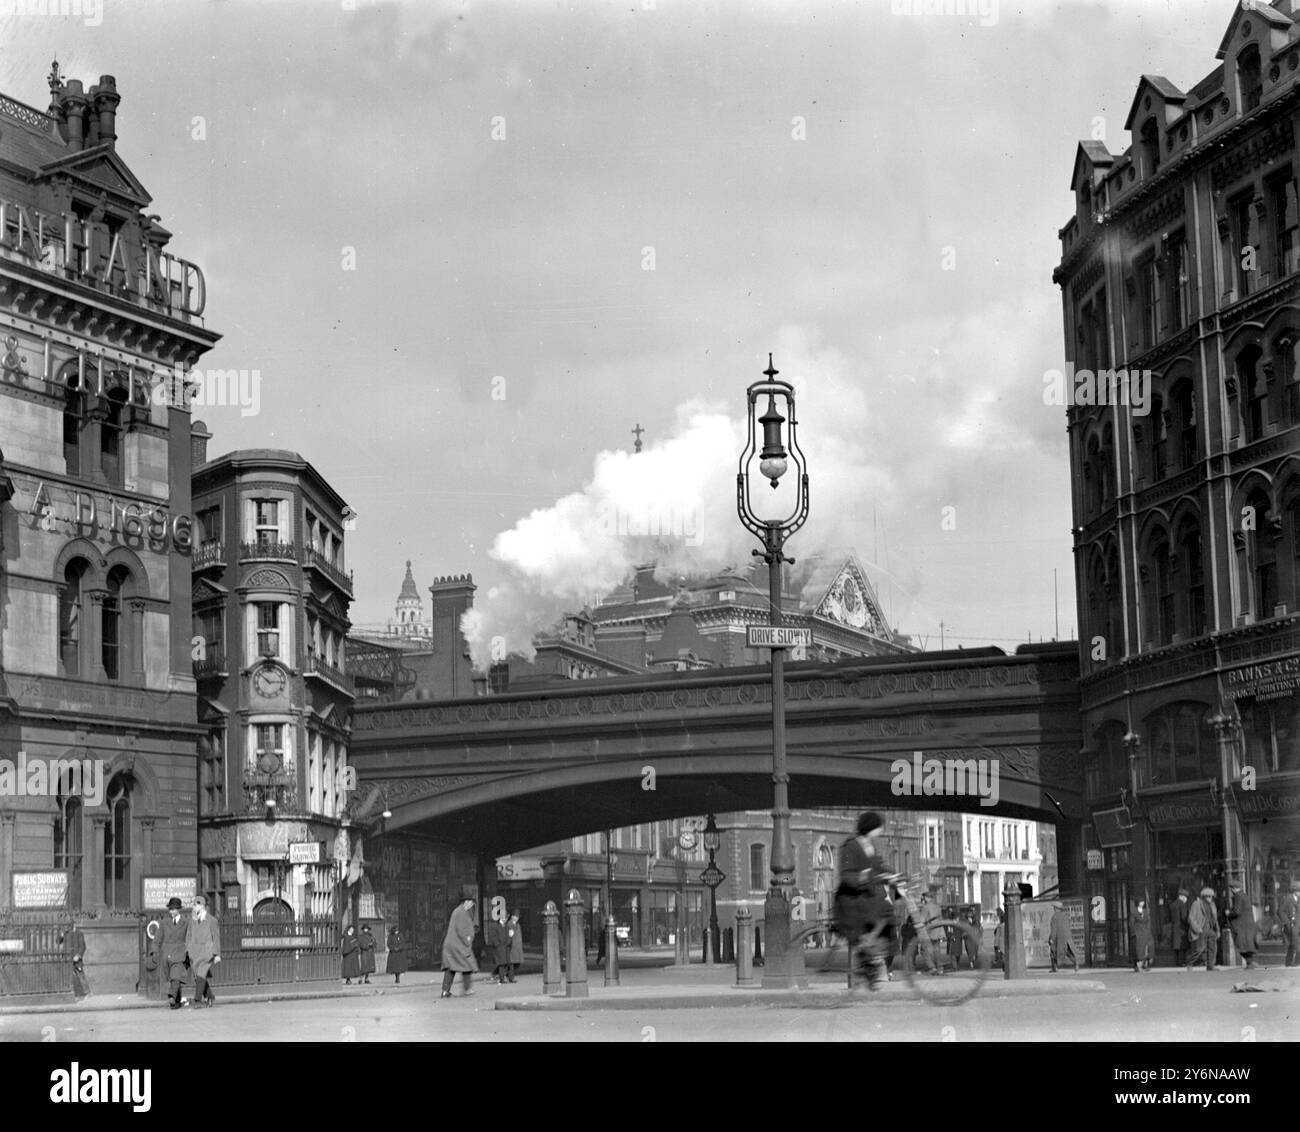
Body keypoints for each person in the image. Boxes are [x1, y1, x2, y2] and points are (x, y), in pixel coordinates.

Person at [833, 811, 894, 989]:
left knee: (887, 913)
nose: (881, 831)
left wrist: (895, 876)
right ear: (870, 827)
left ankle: (871, 957)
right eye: (879, 827)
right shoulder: (850, 846)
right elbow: (846, 875)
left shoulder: (870, 846)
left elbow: (879, 868)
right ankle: (868, 957)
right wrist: (866, 877)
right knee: (882, 911)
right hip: (850, 900)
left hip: (865, 898)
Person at [151, 898, 190, 1008]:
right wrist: (154, 951)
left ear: (179, 910)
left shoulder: (186, 922)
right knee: (173, 978)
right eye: (170, 909)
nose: (172, 912)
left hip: (180, 953)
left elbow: (190, 938)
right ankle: (176, 1003)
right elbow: (157, 938)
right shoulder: (163, 923)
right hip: (167, 955)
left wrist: (188, 952)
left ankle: (171, 996)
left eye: (174, 909)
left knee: (176, 976)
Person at [441, 892, 479, 997]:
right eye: (471, 902)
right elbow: (462, 930)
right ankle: (467, 989)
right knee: (467, 965)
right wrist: (468, 940)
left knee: (451, 968)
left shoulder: (459, 911)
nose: (472, 904)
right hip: (458, 945)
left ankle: (445, 991)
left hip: (453, 945)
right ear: (466, 902)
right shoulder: (462, 912)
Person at [185, 895, 221, 1007]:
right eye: (194, 904)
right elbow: (188, 936)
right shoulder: (192, 920)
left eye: (196, 904)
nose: (194, 907)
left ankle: (197, 1000)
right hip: (195, 953)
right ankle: (210, 996)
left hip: (207, 952)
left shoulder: (212, 920)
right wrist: (188, 949)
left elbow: (216, 937)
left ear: (202, 905)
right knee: (198, 977)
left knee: (201, 974)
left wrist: (217, 954)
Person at [1225, 880, 1259, 970]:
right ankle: (1250, 962)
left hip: (1241, 925)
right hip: (1248, 924)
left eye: (1232, 888)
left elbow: (1237, 911)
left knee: (1241, 945)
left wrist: (1228, 913)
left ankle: (1249, 963)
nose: (1231, 891)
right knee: (1247, 945)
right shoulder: (1245, 895)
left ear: (1235, 889)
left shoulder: (1238, 896)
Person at [1186, 886, 1220, 971]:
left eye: (1211, 896)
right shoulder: (1197, 904)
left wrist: (1217, 930)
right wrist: (1197, 929)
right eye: (1207, 896)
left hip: (1211, 929)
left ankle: (1210, 966)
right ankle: (1189, 963)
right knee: (1199, 949)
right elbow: (1191, 918)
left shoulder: (1212, 905)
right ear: (1203, 896)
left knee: (1212, 948)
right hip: (1201, 930)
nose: (1209, 898)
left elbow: (1215, 918)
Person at [1048, 901, 1078, 972]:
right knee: (1068, 952)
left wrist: (1051, 939)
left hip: (1058, 938)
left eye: (1054, 908)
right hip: (1067, 937)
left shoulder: (1054, 917)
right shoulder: (1065, 915)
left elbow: (1054, 929)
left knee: (1053, 951)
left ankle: (1054, 968)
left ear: (1055, 908)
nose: (1053, 909)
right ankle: (1076, 964)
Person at [65, 921, 89, 1000]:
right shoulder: (66, 933)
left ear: (74, 925)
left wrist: (78, 956)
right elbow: (58, 941)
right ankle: (73, 994)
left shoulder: (79, 933)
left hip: (76, 959)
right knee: (68, 976)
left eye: (70, 926)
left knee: (81, 975)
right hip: (68, 958)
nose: (68, 928)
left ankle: (87, 993)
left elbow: (83, 946)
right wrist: (61, 935)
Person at [1129, 899, 1154, 972]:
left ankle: (1145, 963)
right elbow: (1131, 923)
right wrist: (1134, 932)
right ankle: (1137, 964)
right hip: (1138, 932)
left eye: (1143, 902)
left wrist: (1148, 931)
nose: (1142, 903)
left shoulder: (1146, 912)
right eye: (1141, 902)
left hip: (1145, 933)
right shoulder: (1134, 912)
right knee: (1138, 949)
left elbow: (1148, 922)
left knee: (1147, 948)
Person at [1279, 881, 1299, 968]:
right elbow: (1280, 911)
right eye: (1298, 891)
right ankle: (1290, 962)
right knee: (1294, 943)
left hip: (1299, 924)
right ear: (1294, 891)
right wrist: (1287, 923)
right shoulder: (1287, 899)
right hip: (1292, 925)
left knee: (1296, 943)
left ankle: (1295, 961)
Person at [486, 915, 511, 984]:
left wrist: (508, 941)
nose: (505, 919)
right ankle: (501, 978)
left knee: (505, 963)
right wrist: (497, 944)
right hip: (499, 948)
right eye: (503, 917)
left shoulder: (506, 926)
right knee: (501, 964)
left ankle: (500, 976)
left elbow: (509, 935)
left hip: (505, 947)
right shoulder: (495, 925)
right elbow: (493, 936)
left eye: (506, 918)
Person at [1171, 888, 1191, 967]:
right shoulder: (1182, 905)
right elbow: (1184, 917)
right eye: (1186, 897)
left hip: (1174, 927)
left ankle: (1176, 963)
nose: (1186, 899)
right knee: (1183, 947)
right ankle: (1182, 963)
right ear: (1182, 897)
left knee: (1176, 947)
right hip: (1182, 929)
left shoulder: (1173, 904)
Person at [506, 910, 524, 983]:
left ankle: (508, 974)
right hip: (512, 947)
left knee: (517, 963)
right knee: (512, 963)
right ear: (512, 916)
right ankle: (511, 977)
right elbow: (509, 935)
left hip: (518, 947)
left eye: (517, 917)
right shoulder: (510, 924)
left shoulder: (517, 925)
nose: (516, 918)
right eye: (515, 916)